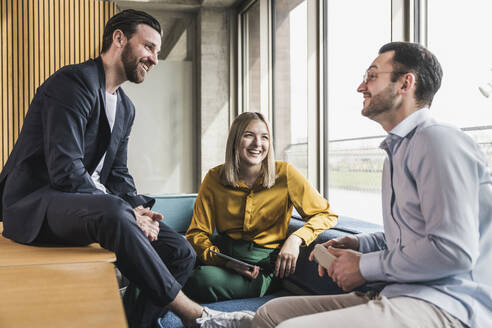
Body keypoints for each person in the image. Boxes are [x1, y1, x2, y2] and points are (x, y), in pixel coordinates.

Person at [0, 9, 253, 328]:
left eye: (157, 52)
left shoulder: (125, 108)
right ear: (119, 39)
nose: (155, 59)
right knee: (115, 212)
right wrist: (125, 212)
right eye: (149, 47)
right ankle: (197, 316)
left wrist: (139, 210)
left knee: (180, 251)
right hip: (35, 204)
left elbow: (117, 175)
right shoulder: (72, 82)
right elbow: (65, 169)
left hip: (89, 206)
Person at [252, 42, 492, 328]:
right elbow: (412, 237)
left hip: (449, 304)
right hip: (399, 293)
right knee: (270, 315)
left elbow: (454, 251)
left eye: (371, 76)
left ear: (406, 83)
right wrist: (359, 243)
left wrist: (363, 267)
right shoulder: (396, 152)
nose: (360, 87)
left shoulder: (438, 141)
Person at [184, 112, 338, 302]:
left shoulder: (286, 174)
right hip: (220, 255)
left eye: (264, 137)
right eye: (249, 135)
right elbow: (197, 233)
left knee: (201, 279)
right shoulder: (214, 177)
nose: (258, 143)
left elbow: (326, 214)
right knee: (167, 259)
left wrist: (296, 239)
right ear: (235, 140)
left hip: (259, 270)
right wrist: (224, 261)